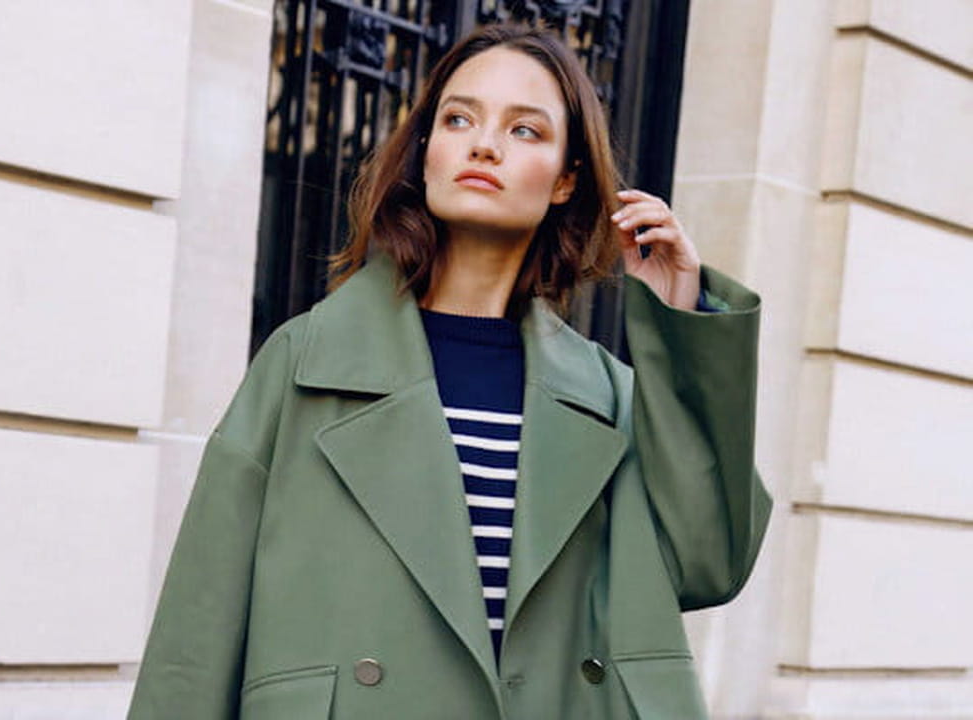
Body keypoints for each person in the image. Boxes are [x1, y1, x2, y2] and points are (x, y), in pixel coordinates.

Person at [128, 23, 771, 720]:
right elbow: (198, 626)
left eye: (524, 130)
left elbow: (709, 561)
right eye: (459, 119)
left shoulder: (605, 395)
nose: (484, 144)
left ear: (565, 180)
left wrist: (681, 324)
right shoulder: (306, 363)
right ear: (426, 154)